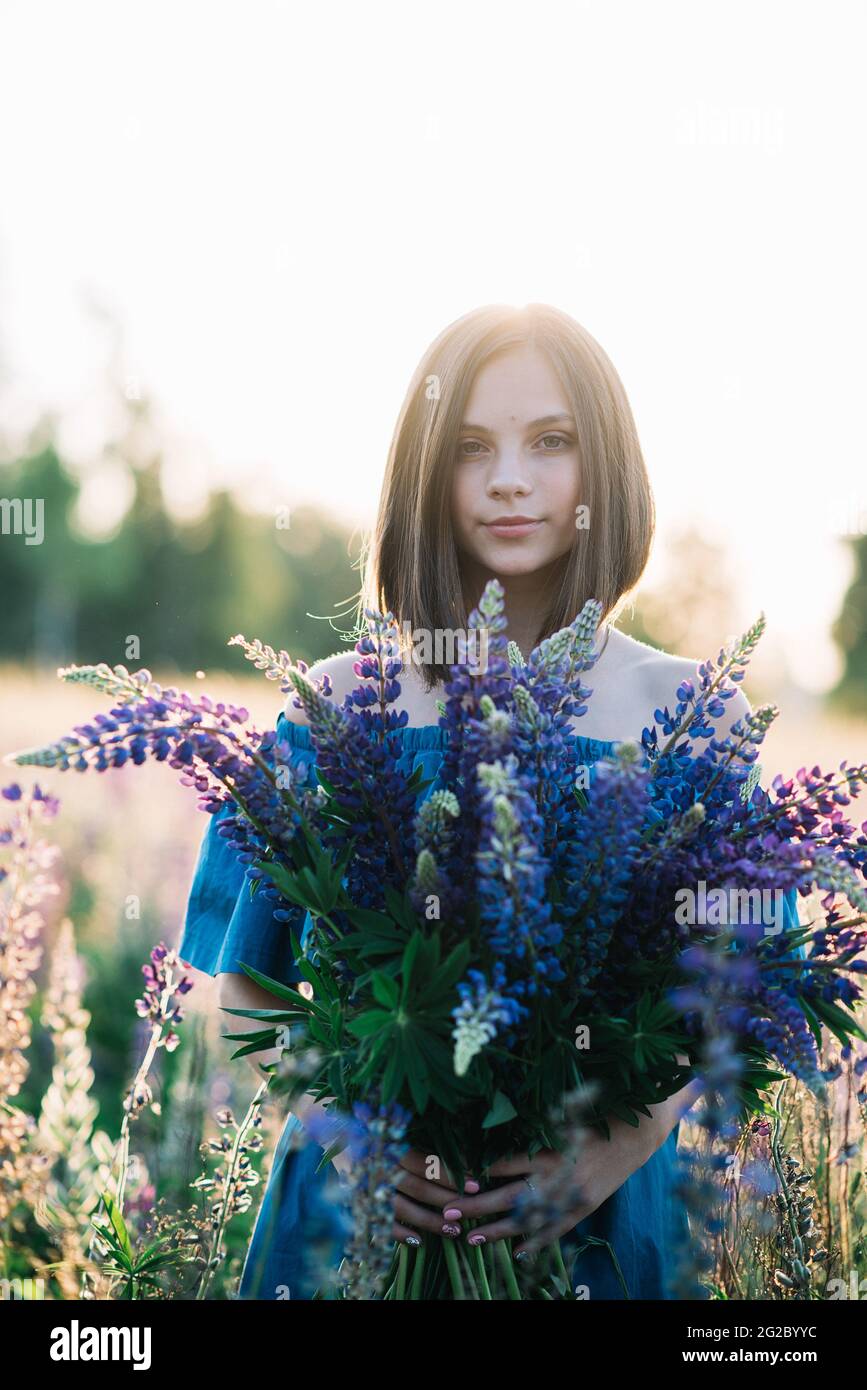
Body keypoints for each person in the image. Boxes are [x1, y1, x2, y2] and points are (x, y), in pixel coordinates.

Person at [180, 303, 799, 1299]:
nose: (509, 476)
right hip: (354, 1230)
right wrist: (348, 1140)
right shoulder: (335, 706)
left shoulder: (698, 716)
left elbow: (752, 987)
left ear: (608, 468)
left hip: (592, 1223)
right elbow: (251, 987)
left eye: (551, 441)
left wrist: (628, 1136)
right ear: (427, 473)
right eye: (471, 447)